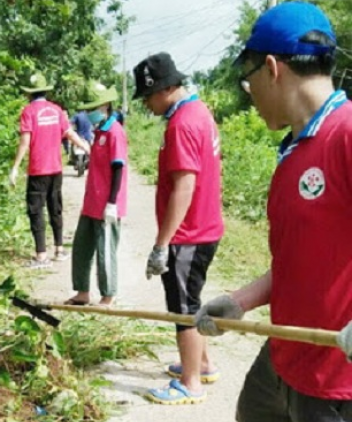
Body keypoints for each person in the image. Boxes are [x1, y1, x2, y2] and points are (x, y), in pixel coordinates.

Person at [193, 3, 352, 420]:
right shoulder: (294, 151)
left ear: (271, 68)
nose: (250, 94)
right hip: (283, 357)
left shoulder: (347, 134)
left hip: (336, 380)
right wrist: (239, 301)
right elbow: (303, 260)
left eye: (249, 81)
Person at [132, 52, 224, 404]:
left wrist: (161, 244)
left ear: (166, 88)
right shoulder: (199, 112)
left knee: (182, 308)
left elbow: (184, 186)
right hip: (204, 227)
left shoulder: (183, 123)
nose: (146, 104)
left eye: (147, 96)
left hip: (189, 234)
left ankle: (190, 384)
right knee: (191, 300)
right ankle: (201, 363)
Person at [10, 73, 90, 269]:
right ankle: (59, 249)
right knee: (56, 208)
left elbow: (25, 142)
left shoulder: (28, 112)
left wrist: (14, 167)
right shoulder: (56, 110)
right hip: (56, 169)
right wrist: (88, 148)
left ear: (30, 94)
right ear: (46, 91)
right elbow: (69, 133)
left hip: (38, 170)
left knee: (36, 211)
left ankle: (41, 256)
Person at [64, 82, 128, 307]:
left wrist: (112, 202)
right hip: (91, 202)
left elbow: (118, 167)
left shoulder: (114, 132)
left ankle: (108, 295)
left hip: (107, 204)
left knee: (105, 251)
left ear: (105, 106)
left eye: (93, 108)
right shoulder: (98, 131)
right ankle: (82, 291)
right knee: (81, 248)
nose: (89, 113)